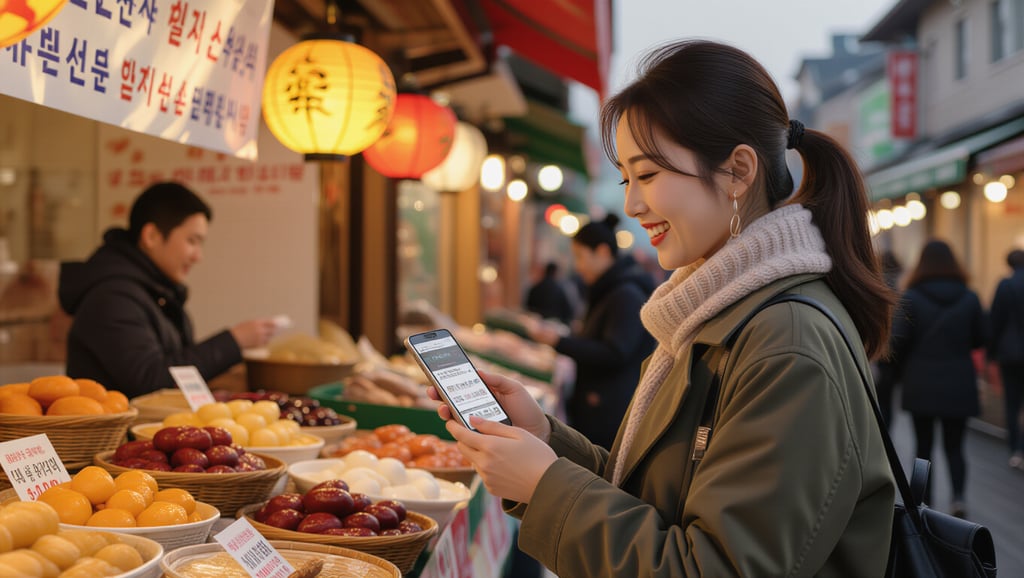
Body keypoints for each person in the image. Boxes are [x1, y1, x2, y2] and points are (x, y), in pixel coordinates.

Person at [431, 40, 897, 576]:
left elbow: (714, 567)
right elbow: (656, 498)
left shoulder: (783, 342)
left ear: (738, 172)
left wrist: (545, 484)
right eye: (627, 178)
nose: (631, 204)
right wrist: (547, 443)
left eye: (648, 175)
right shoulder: (716, 312)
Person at [58, 182, 278, 398]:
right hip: (111, 434)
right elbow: (151, 381)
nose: (197, 256)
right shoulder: (113, 297)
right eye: (192, 241)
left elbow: (175, 367)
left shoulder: (156, 292)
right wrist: (234, 341)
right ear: (152, 236)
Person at [527, 214, 656, 450]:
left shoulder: (625, 294)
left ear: (603, 252)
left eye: (581, 257)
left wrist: (559, 341)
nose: (578, 266)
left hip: (608, 412)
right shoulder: (610, 290)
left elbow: (615, 352)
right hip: (598, 406)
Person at [889, 240, 985, 518]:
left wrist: (899, 374)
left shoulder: (912, 297)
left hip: (922, 382)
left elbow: (899, 342)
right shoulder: (970, 297)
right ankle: (958, 498)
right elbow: (981, 337)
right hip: (959, 380)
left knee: (923, 445)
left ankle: (924, 501)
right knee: (956, 446)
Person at [987, 248, 1024, 469]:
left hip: (1009, 353)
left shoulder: (1005, 285)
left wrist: (991, 353)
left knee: (1012, 402)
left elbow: (995, 320)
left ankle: (1016, 450)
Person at [874, 249, 904, 429]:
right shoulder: (900, 289)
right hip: (891, 353)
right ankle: (887, 437)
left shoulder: (873, 285)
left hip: (875, 350)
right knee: (887, 401)